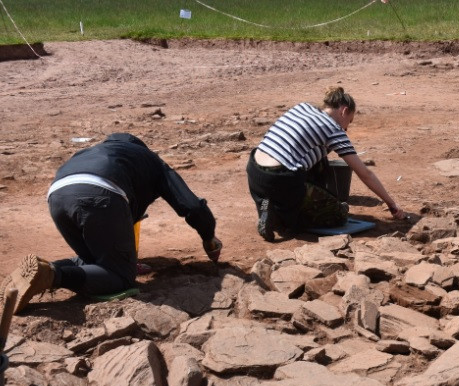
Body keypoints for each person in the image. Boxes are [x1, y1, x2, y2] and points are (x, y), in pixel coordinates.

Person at [0, 133, 222, 319]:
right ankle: (52, 276)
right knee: (120, 277)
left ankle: (33, 272)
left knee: (92, 262)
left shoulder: (92, 151)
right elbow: (192, 206)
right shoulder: (150, 160)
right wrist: (208, 236)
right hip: (100, 193)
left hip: (57, 194)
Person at [247, 86, 406, 241]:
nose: (346, 129)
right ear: (344, 110)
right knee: (339, 215)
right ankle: (278, 217)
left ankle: (269, 204)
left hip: (255, 170)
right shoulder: (334, 130)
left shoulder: (302, 107)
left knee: (318, 154)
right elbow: (365, 174)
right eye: (348, 122)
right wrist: (392, 204)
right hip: (281, 177)